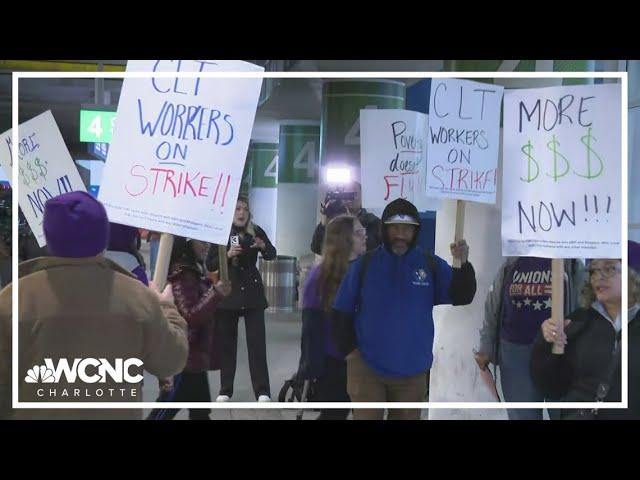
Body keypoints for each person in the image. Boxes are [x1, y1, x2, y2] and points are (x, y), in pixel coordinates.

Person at [0, 191, 188, 420]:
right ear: (102, 238)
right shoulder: (137, 297)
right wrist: (167, 308)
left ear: (49, 237)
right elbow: (171, 360)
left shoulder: (14, 298)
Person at [331, 198, 476, 420]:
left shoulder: (430, 264)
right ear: (384, 229)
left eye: (407, 229)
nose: (400, 235)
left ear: (416, 231)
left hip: (412, 371)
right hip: (367, 368)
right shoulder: (365, 265)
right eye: (395, 228)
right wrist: (350, 352)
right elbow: (341, 311)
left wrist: (463, 264)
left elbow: (462, 295)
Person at [530, 245, 640, 420]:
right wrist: (547, 343)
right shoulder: (577, 323)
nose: (599, 277)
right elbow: (552, 387)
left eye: (609, 268)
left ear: (633, 274)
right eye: (594, 271)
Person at [475, 256, 585, 419]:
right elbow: (492, 307)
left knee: (566, 414)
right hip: (515, 354)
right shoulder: (511, 265)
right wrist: (486, 346)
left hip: (560, 352)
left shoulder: (572, 264)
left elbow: (585, 310)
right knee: (522, 415)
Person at [148, 237, 231, 420]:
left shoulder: (194, 269)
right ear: (187, 242)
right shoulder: (184, 273)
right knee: (166, 411)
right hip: (186, 359)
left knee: (199, 413)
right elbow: (190, 317)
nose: (206, 244)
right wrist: (216, 294)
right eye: (201, 241)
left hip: (193, 358)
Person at [206, 196, 276, 402]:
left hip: (253, 294)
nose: (241, 212)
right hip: (229, 293)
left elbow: (272, 254)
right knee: (227, 345)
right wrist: (227, 255)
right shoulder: (221, 233)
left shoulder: (256, 230)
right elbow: (210, 265)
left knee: (257, 345)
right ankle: (225, 390)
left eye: (245, 209)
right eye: (237, 208)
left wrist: (263, 247)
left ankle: (262, 391)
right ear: (231, 211)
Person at [299, 215, 367, 419]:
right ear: (342, 239)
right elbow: (311, 326)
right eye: (358, 233)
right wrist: (310, 367)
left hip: (364, 357)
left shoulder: (365, 270)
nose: (365, 236)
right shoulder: (319, 277)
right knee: (335, 414)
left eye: (364, 231)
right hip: (333, 361)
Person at [311, 182, 381, 256]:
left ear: (362, 197)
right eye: (347, 195)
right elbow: (317, 248)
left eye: (354, 194)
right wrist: (324, 222)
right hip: (342, 266)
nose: (350, 199)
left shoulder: (373, 222)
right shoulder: (336, 223)